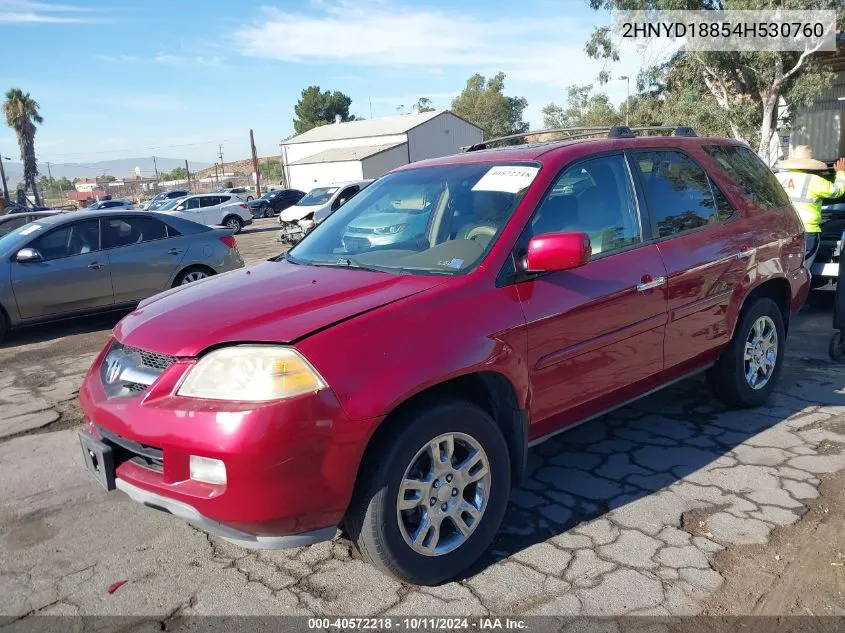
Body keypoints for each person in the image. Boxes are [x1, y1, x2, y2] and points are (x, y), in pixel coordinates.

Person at [776, 146, 845, 271]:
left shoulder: (778, 178)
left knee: (784, 269)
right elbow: (837, 191)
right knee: (803, 269)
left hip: (782, 231)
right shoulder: (814, 181)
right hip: (807, 230)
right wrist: (841, 173)